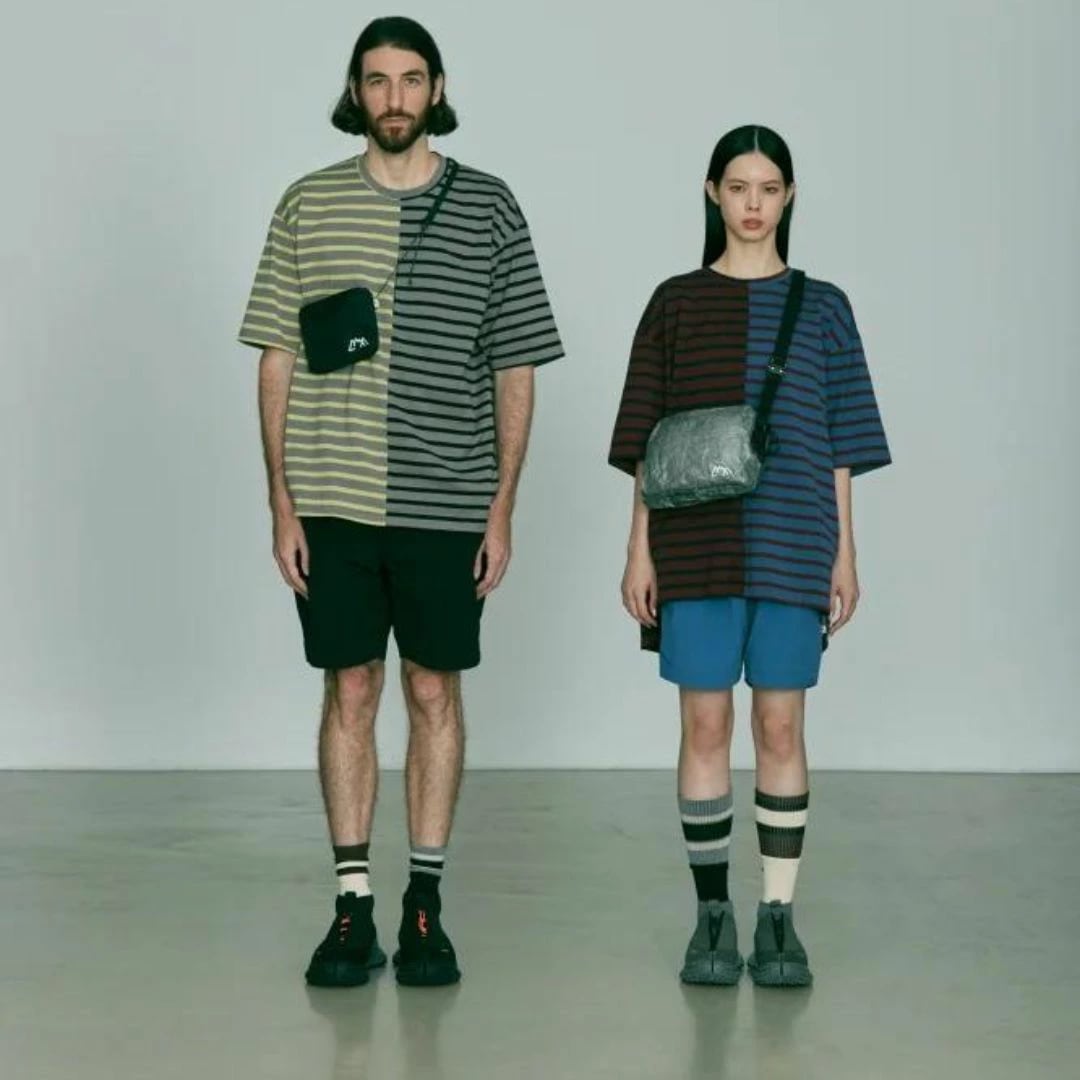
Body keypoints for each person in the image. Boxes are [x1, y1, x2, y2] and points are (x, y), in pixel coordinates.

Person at [238, 16, 563, 988]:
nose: (393, 97)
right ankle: (352, 906)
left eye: (411, 79)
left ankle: (425, 903)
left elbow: (515, 365)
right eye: (376, 80)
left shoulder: (489, 206)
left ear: (437, 89)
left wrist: (502, 507)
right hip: (332, 500)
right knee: (349, 689)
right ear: (355, 91)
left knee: (431, 690)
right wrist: (281, 504)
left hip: (447, 499)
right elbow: (277, 356)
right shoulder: (308, 203)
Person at [608, 125, 890, 987]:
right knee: (704, 724)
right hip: (694, 544)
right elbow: (648, 440)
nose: (754, 204)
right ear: (713, 193)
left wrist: (845, 553)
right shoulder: (674, 302)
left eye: (769, 188)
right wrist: (637, 551)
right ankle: (710, 915)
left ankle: (777, 915)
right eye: (738, 187)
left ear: (789, 197)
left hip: (795, 541)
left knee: (780, 726)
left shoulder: (825, 306)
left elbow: (842, 442)